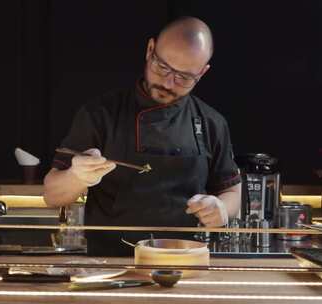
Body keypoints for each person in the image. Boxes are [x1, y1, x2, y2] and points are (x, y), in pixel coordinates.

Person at [43, 16, 242, 256]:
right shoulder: (99, 114)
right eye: (163, 67)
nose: (168, 83)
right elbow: (52, 195)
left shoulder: (212, 123)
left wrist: (221, 208)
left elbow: (232, 193)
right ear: (150, 50)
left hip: (183, 263)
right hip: (111, 263)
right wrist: (77, 176)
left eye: (184, 77)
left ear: (202, 72)